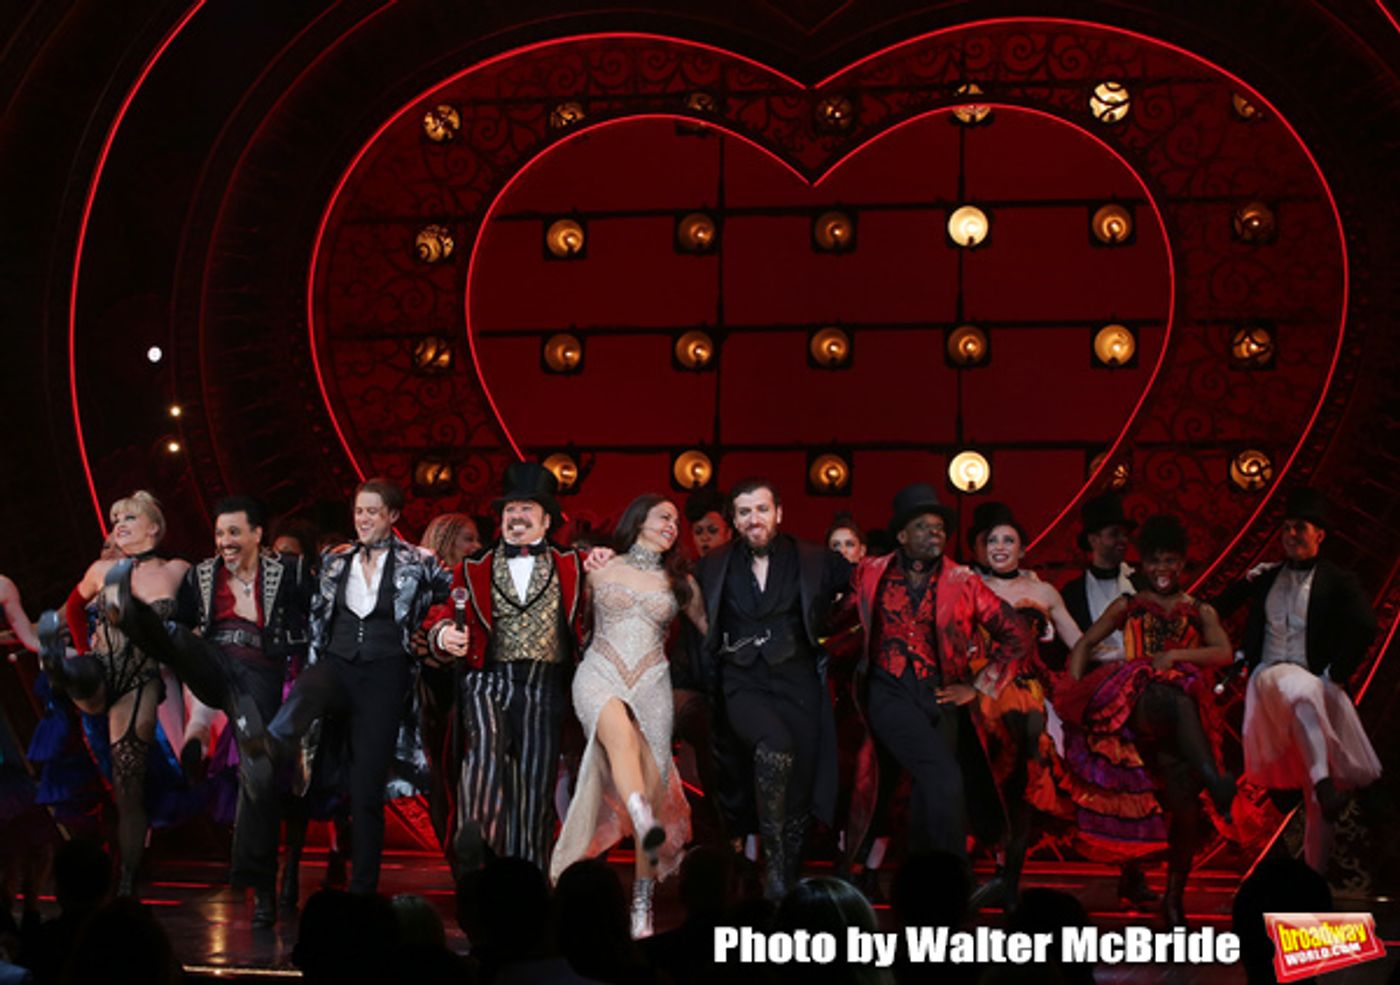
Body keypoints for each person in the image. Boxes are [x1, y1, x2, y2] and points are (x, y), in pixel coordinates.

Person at [105, 494, 312, 925]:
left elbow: (317, 619)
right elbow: (181, 622)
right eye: (219, 533)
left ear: (257, 534)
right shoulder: (203, 575)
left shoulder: (288, 573)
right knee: (177, 637)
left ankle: (261, 890)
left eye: (234, 532)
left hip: (260, 676)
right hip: (215, 664)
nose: (225, 541)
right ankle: (126, 611)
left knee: (259, 779)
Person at [244, 478, 452, 894]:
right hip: (338, 662)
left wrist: (437, 633)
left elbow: (452, 598)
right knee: (311, 683)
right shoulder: (335, 559)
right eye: (359, 511)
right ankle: (274, 741)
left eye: (372, 511)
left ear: (392, 516)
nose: (363, 519)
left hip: (385, 672)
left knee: (365, 789)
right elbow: (311, 606)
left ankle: (363, 890)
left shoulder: (420, 561)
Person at [842, 485, 1032, 887]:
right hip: (888, 690)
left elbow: (1016, 633)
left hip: (941, 693)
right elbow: (836, 620)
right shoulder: (870, 572)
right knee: (943, 775)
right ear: (901, 535)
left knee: (934, 790)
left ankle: (926, 887)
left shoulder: (963, 581)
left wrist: (979, 686)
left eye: (940, 528)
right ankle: (952, 880)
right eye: (923, 527)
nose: (935, 534)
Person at [1060, 514, 1236, 926]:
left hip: (1179, 725)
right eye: (1155, 561)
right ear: (1143, 565)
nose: (1162, 570)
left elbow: (1223, 653)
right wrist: (1073, 696)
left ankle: (1174, 899)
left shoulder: (1199, 610)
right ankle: (1214, 777)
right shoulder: (1128, 605)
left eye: (1171, 561)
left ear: (1182, 565)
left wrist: (1177, 656)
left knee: (1185, 808)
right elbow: (1085, 643)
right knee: (1162, 691)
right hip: (1134, 705)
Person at [550, 494, 704, 937]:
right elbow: (566, 616)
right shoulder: (598, 566)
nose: (672, 526)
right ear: (638, 519)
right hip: (599, 670)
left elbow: (712, 634)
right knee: (616, 730)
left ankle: (642, 904)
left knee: (653, 778)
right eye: (664, 517)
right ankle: (639, 814)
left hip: (652, 680)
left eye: (677, 521)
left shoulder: (680, 581)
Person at [428, 462, 593, 874]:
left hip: (544, 685)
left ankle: (529, 881)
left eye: (526, 511)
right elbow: (445, 615)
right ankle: (473, 839)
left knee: (534, 789)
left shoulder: (572, 565)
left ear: (547, 520)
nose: (516, 518)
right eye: (509, 511)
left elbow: (592, 614)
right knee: (485, 746)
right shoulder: (475, 567)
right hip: (489, 678)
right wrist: (445, 634)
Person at [691, 478, 850, 900]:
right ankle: (774, 869)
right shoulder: (713, 564)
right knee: (774, 746)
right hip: (742, 681)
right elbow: (676, 594)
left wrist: (834, 640)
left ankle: (785, 875)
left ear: (779, 512)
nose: (753, 519)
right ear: (735, 521)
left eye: (761, 509)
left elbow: (862, 592)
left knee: (798, 780)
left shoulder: (815, 559)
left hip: (797, 682)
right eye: (744, 512)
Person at [1213, 487, 1380, 873]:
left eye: (1299, 528)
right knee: (1293, 683)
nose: (1290, 534)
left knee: (1319, 803)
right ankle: (1323, 781)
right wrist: (1244, 581)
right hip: (1268, 682)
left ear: (1319, 535)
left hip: (1317, 689)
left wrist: (1337, 673)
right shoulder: (1267, 577)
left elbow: (1366, 624)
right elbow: (1216, 609)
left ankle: (1314, 885)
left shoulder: (1337, 580)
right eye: (1286, 528)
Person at [37, 490, 190, 897]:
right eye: (115, 518)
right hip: (103, 663)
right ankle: (62, 665)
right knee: (86, 675)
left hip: (142, 678)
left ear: (154, 527)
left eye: (129, 518)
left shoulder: (176, 569)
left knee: (128, 784)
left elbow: (195, 620)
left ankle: (127, 879)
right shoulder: (100, 570)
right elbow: (72, 607)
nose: (119, 523)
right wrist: (83, 646)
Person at [969, 503, 1081, 909]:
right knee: (983, 778)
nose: (1000, 547)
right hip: (981, 688)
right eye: (992, 540)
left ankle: (1010, 878)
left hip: (1029, 691)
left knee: (1027, 779)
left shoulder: (1042, 591)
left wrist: (1123, 662)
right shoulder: (966, 583)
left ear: (1023, 549)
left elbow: (1080, 642)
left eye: (1008, 540)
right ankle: (986, 869)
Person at [1054, 491, 1156, 909]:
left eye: (1123, 536)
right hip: (1093, 685)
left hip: (1137, 680)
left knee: (1141, 773)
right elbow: (1069, 648)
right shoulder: (1072, 590)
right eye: (1113, 534)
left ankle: (1137, 870)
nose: (1120, 542)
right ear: (1093, 539)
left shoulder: (1141, 584)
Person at [684, 489, 731, 559]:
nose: (705, 538)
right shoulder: (688, 569)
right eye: (698, 532)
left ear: (729, 533)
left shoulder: (744, 567)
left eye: (713, 531)